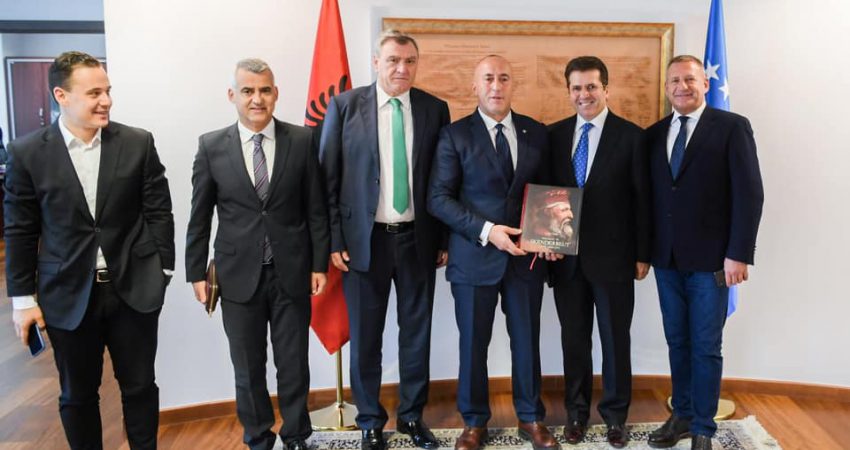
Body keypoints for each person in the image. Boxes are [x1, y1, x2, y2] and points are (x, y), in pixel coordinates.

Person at [4, 50, 174, 450]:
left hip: (133, 289)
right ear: (61, 96)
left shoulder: (137, 142)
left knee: (140, 387)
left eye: (108, 91)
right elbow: (20, 230)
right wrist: (23, 300)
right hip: (66, 293)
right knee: (78, 395)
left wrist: (162, 268)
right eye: (94, 93)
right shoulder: (27, 153)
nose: (106, 101)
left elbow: (158, 210)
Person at [185, 58, 329, 450]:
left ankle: (296, 435)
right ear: (232, 95)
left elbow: (316, 209)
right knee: (248, 368)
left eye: (265, 90)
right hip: (236, 275)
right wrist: (195, 272)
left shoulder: (302, 140)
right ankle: (258, 438)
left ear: (276, 93)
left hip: (291, 271)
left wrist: (319, 264)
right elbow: (200, 215)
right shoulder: (211, 146)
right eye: (248, 91)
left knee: (293, 364)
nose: (257, 99)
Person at [320, 29, 450, 450]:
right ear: (376, 62)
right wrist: (334, 239)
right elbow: (327, 178)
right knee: (366, 338)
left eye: (410, 61)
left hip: (418, 240)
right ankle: (370, 422)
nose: (401, 68)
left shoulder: (434, 109)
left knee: (416, 335)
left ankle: (411, 417)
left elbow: (443, 180)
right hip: (364, 243)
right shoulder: (345, 107)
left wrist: (443, 238)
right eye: (393, 60)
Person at [428, 55, 558, 450]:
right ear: (475, 86)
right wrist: (488, 231)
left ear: (513, 84)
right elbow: (438, 199)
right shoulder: (454, 136)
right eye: (488, 78)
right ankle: (474, 423)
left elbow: (549, 193)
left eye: (503, 78)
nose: (496, 86)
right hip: (473, 257)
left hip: (526, 260)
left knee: (527, 341)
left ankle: (531, 418)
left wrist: (552, 238)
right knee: (473, 344)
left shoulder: (536, 132)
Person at [645, 55, 763, 450]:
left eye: (690, 79)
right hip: (667, 260)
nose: (682, 87)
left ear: (705, 84)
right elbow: (652, 198)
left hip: (713, 262)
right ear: (666, 88)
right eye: (675, 81)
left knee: (706, 346)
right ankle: (681, 414)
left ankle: (703, 428)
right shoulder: (654, 134)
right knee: (677, 340)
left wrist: (739, 253)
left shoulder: (731, 127)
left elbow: (749, 194)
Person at [547, 56, 651, 448]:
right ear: (568, 91)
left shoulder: (632, 137)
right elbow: (546, 194)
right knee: (574, 341)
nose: (584, 95)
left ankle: (615, 417)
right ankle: (576, 414)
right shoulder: (554, 135)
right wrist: (546, 243)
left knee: (614, 341)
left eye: (591, 87)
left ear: (606, 89)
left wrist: (643, 254)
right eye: (576, 88)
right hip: (566, 261)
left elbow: (643, 201)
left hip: (615, 260)